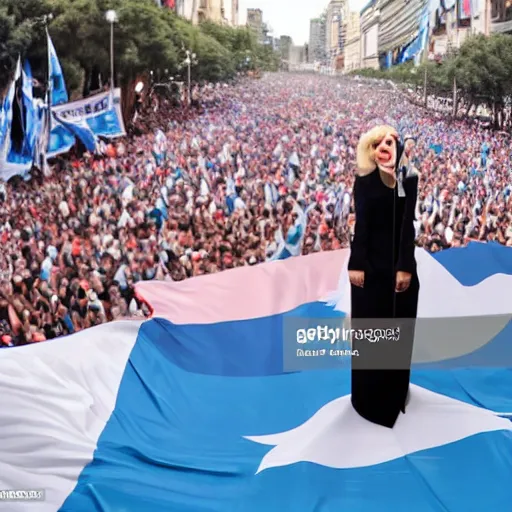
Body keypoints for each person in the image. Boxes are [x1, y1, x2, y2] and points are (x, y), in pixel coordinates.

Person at [347, 125, 420, 428]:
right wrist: (356, 263)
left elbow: (408, 224)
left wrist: (405, 266)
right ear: (370, 149)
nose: (385, 146)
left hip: (400, 267)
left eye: (390, 141)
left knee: (399, 330)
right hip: (371, 270)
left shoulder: (409, 178)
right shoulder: (363, 181)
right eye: (378, 142)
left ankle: (396, 392)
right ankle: (370, 399)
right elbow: (361, 225)